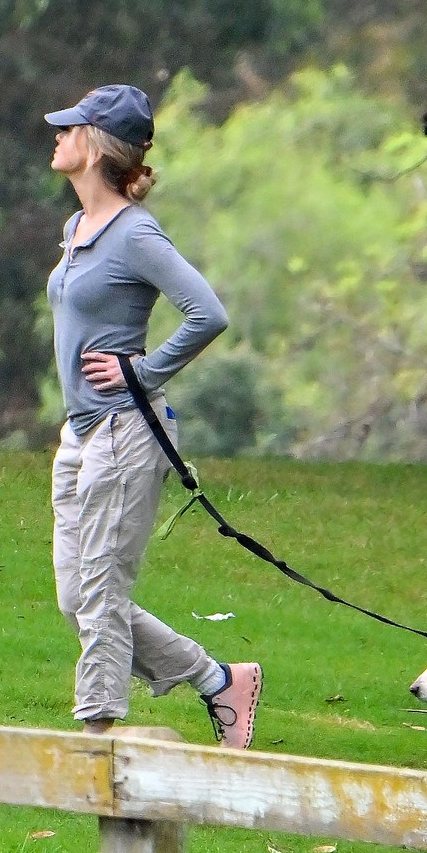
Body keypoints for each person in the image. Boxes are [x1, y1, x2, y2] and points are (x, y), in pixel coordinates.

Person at [44, 84, 261, 745]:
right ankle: (218, 679)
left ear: (95, 146)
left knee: (103, 592)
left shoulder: (135, 233)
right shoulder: (77, 229)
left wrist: (142, 369)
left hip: (126, 432)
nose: (57, 136)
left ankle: (99, 737)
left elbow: (208, 313)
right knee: (77, 598)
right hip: (81, 435)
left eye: (69, 128)